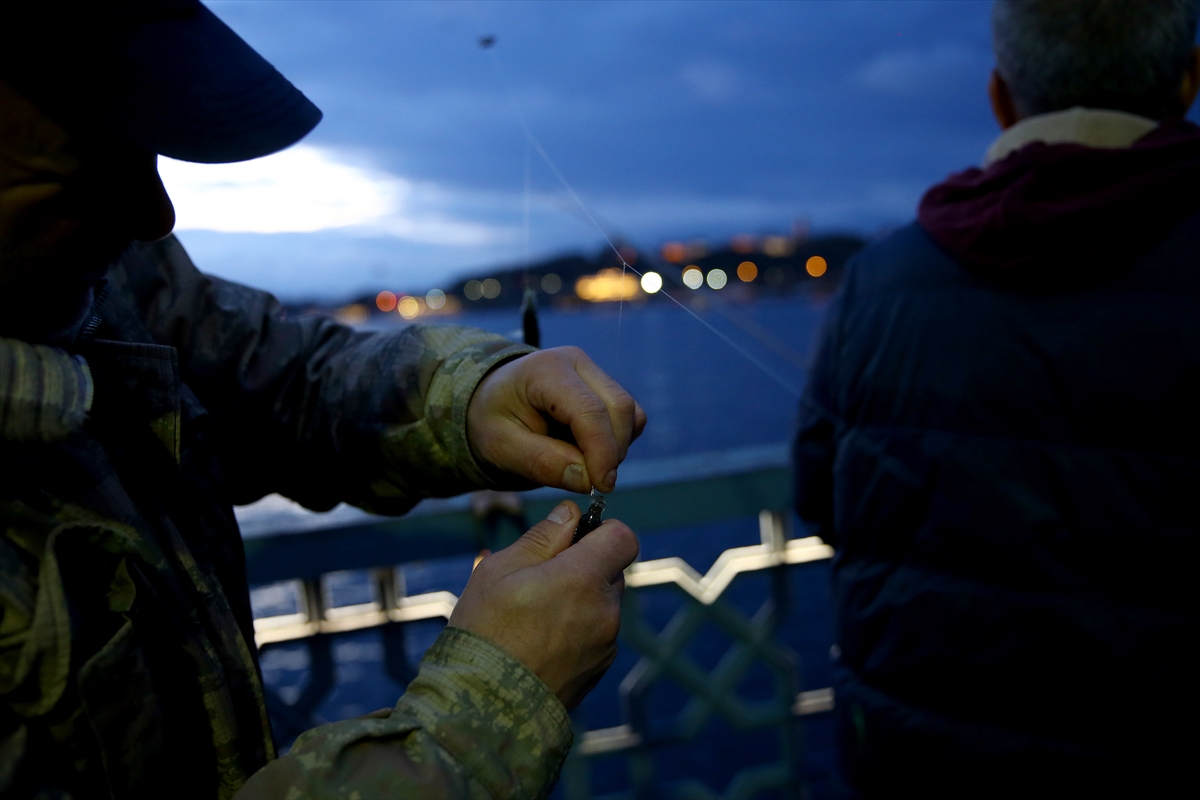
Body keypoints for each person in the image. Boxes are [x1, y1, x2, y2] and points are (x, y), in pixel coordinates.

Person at [0, 1, 644, 798]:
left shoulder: (107, 272)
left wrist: (472, 394)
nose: (153, 212)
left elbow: (269, 374)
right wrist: (481, 716)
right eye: (88, 156)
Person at [792, 1, 1200, 796]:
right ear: (1190, 82)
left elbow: (821, 495)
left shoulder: (878, 282)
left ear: (1000, 98)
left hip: (926, 758)